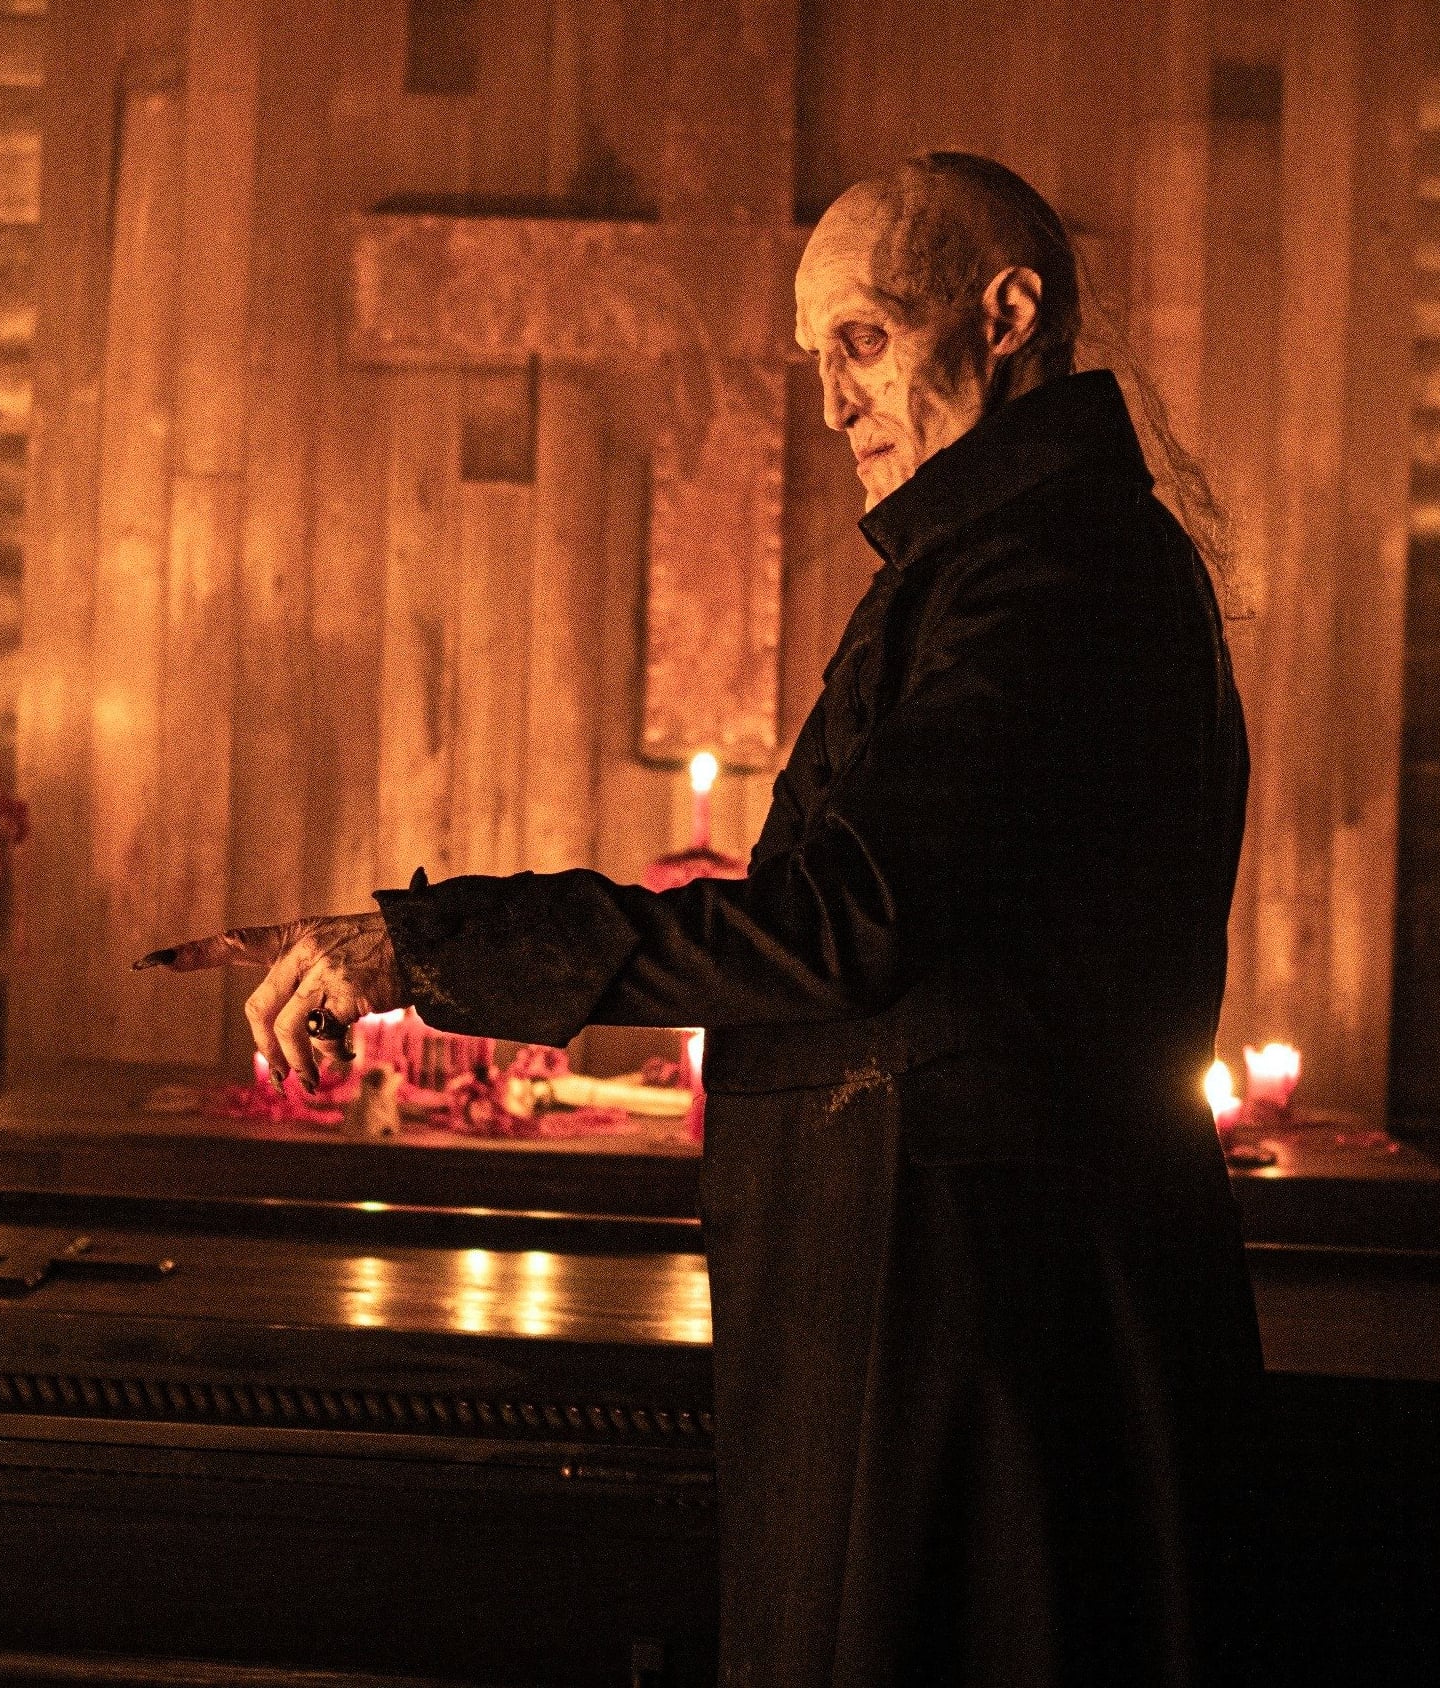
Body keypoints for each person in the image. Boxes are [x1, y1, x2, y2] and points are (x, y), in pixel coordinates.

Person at [142, 151, 1260, 1688]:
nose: (833, 404)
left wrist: (428, 949)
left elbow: (842, 922)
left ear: (1006, 316)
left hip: (988, 1340)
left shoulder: (1054, 570)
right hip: (950, 1310)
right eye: (816, 356)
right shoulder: (1004, 557)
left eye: (864, 340)